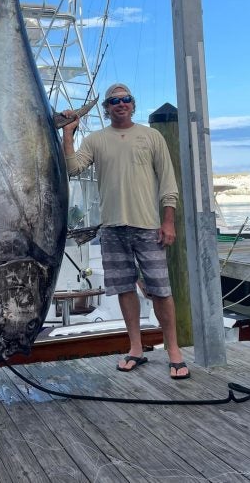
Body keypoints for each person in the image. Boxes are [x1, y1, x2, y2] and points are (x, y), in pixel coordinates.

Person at [62, 83, 190, 380]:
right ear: (107, 109)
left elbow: (168, 183)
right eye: (114, 101)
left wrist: (168, 221)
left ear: (133, 104)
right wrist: (67, 133)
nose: (120, 104)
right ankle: (135, 348)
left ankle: (173, 349)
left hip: (148, 227)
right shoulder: (96, 140)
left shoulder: (152, 136)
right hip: (112, 228)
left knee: (161, 290)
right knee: (123, 289)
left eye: (126, 99)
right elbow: (72, 168)